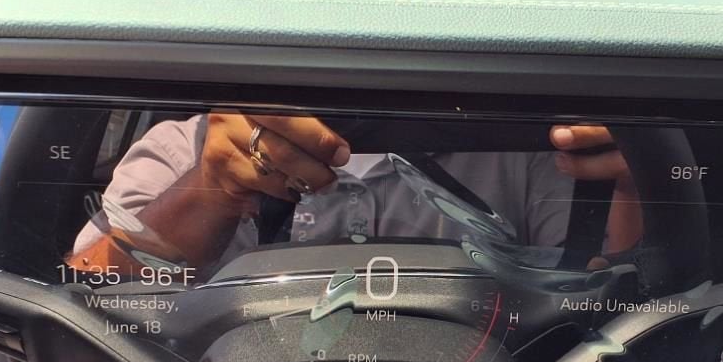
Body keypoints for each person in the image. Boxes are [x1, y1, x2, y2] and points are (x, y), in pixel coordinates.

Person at [68, 112, 641, 278]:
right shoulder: (187, 149)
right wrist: (210, 187)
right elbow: (82, 302)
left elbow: (612, 297)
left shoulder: (537, 152)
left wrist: (636, 183)